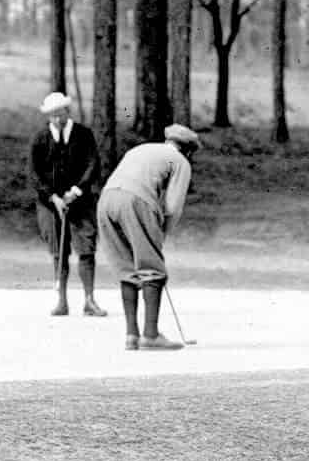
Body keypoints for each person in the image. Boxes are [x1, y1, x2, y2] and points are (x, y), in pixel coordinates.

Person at [96, 124, 201, 351]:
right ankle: (151, 335)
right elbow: (173, 207)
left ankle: (131, 336)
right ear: (189, 150)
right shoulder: (181, 162)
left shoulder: (140, 149)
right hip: (135, 201)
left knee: (126, 268)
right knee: (152, 269)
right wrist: (160, 234)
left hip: (106, 200)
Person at [29, 91, 107, 317]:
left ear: (67, 111)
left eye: (60, 113)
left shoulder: (83, 135)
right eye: (52, 115)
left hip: (80, 201)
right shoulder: (40, 138)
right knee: (58, 251)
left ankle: (89, 301)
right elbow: (34, 174)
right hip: (50, 204)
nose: (57, 119)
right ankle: (61, 301)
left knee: (86, 249)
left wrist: (75, 191)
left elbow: (93, 165)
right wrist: (52, 197)